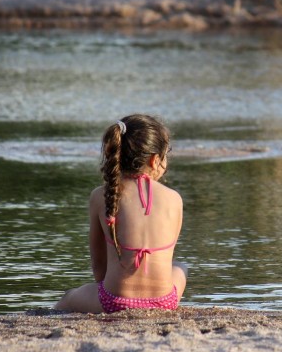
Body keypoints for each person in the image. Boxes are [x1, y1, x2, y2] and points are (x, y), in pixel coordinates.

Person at [56, 114, 187, 313]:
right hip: (165, 302)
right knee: (180, 267)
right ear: (155, 160)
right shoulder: (174, 198)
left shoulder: (101, 196)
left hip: (114, 303)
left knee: (68, 298)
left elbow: (99, 267)